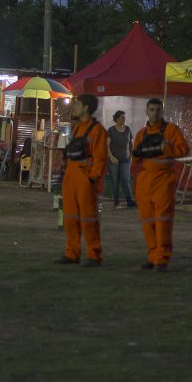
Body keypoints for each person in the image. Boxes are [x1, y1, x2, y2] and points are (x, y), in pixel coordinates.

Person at [132, 98, 189, 271]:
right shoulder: (141, 134)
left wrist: (167, 149)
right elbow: (135, 158)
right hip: (145, 182)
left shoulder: (171, 130)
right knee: (148, 222)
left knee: (162, 221)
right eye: (152, 110)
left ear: (162, 111)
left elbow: (184, 150)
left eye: (158, 110)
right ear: (147, 112)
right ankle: (152, 256)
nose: (155, 113)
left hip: (163, 180)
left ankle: (161, 259)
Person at [56, 94, 108, 266]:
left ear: (86, 107)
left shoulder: (98, 130)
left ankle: (94, 255)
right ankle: (72, 253)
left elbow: (100, 158)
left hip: (84, 178)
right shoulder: (78, 128)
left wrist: (91, 180)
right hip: (72, 176)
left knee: (88, 219)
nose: (75, 107)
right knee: (70, 218)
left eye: (77, 104)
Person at [106, 110, 135, 209]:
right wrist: (111, 157)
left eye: (124, 117)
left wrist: (131, 156)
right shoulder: (111, 130)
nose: (124, 119)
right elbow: (107, 146)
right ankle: (116, 202)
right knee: (115, 181)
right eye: (122, 117)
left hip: (126, 159)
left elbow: (131, 144)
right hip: (114, 160)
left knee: (125, 179)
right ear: (117, 119)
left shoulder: (128, 130)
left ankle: (130, 201)